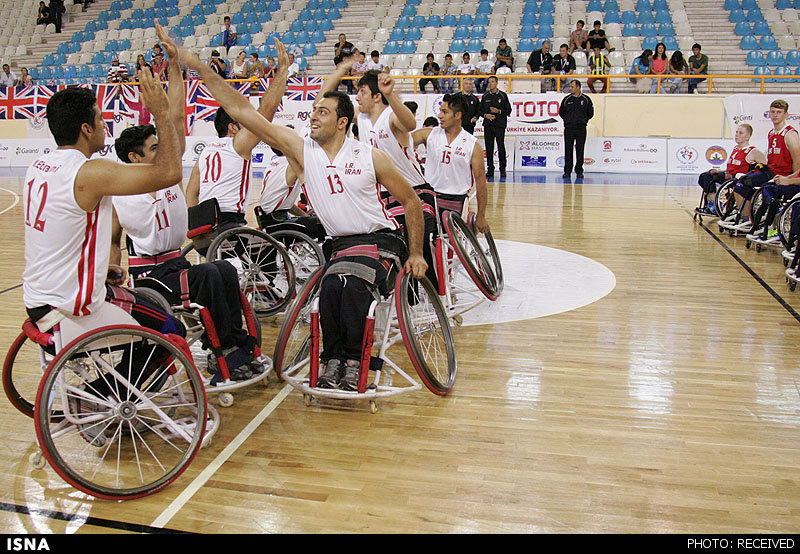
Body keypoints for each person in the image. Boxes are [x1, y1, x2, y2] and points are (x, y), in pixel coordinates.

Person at [156, 24, 427, 393]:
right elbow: (239, 108)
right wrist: (196, 65)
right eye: (312, 110)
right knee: (330, 287)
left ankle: (351, 360)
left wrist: (416, 253)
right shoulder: (302, 152)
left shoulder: (370, 156)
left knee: (347, 282)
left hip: (379, 242)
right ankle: (336, 360)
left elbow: (411, 202)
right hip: (340, 247)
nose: (313, 116)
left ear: (343, 122)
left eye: (323, 112)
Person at [111, 51, 264, 381]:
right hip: (151, 276)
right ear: (134, 158)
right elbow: (112, 239)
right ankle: (225, 352)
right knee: (211, 274)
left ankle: (234, 346)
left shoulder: (167, 173)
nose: (163, 149)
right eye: (154, 148)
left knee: (223, 270)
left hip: (174, 265)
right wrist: (110, 272)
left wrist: (176, 64)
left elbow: (177, 118)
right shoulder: (121, 190)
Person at [22, 70, 184, 366]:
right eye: (99, 120)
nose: (103, 125)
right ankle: (108, 397)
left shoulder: (38, 166)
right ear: (86, 129)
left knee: (145, 308)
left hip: (40, 296)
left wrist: (100, 268)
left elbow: (65, 234)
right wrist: (160, 110)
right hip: (70, 306)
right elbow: (171, 172)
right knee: (173, 331)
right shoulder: (90, 172)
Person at [186, 39, 290, 232]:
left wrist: (198, 228)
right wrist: (283, 69)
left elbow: (191, 194)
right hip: (230, 223)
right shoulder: (236, 145)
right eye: (244, 123)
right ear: (233, 128)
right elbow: (266, 110)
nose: (249, 124)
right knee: (270, 259)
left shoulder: (205, 153)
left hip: (205, 223)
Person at [352, 68, 439, 286]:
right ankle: (404, 297)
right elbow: (326, 105)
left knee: (420, 245)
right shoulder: (361, 118)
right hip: (383, 195)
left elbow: (409, 124)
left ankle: (436, 294)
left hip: (415, 190)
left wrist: (391, 95)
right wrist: (341, 70)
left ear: (376, 96)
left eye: (362, 91)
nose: (357, 96)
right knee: (387, 246)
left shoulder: (389, 117)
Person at [411, 93, 491, 233]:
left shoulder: (472, 144)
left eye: (445, 112)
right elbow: (401, 144)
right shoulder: (428, 134)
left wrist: (481, 215)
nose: (440, 115)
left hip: (456, 200)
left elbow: (481, 182)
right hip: (430, 196)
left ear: (458, 115)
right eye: (440, 111)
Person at [727, 100, 800, 232]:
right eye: (773, 112)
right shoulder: (771, 133)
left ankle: (774, 226)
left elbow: (797, 161)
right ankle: (748, 217)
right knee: (739, 182)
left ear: (786, 114)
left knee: (759, 189)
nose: (775, 115)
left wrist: (790, 181)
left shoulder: (790, 134)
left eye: (779, 112)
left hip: (782, 173)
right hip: (770, 170)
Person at [695, 124, 764, 216]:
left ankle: (713, 207)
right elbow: (732, 168)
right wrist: (721, 171)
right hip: (729, 175)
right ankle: (712, 203)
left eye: (740, 133)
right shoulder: (736, 149)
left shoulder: (752, 151)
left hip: (739, 178)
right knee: (705, 175)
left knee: (709, 177)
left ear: (748, 136)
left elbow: (765, 167)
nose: (737, 135)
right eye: (736, 132)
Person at [559, 79, 594, 179]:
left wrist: (582, 121)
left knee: (580, 150)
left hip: (581, 129)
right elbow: (562, 112)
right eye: (570, 87)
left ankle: (579, 171)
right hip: (569, 128)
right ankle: (567, 171)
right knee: (568, 150)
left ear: (578, 87)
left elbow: (590, 113)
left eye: (572, 87)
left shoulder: (586, 99)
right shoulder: (567, 99)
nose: (570, 88)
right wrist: (568, 120)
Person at [479, 75, 511, 179]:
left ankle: (503, 169)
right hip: (488, 124)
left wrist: (499, 111)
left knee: (500, 146)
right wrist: (486, 115)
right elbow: (480, 110)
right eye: (489, 82)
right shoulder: (485, 96)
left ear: (496, 83)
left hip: (499, 124)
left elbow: (508, 110)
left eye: (492, 82)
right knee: (489, 147)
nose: (490, 84)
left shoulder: (503, 95)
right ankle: (490, 168)